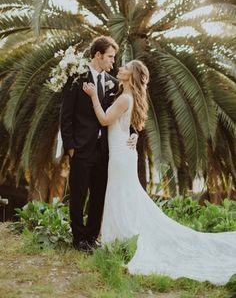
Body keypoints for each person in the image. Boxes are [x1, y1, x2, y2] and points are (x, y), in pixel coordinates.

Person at [83, 59, 236, 285]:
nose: (121, 69)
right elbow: (127, 124)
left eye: (125, 68)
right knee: (124, 193)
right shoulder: (124, 95)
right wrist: (133, 133)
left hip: (120, 155)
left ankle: (121, 236)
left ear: (131, 76)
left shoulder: (125, 98)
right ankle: (120, 236)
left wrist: (94, 96)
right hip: (122, 152)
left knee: (121, 192)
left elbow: (105, 119)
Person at [60, 36, 138, 252]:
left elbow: (124, 113)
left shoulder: (114, 84)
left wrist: (133, 133)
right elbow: (65, 116)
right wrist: (71, 147)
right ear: (98, 55)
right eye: (110, 57)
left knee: (99, 195)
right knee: (77, 196)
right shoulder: (76, 78)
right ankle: (78, 239)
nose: (113, 62)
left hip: (106, 152)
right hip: (81, 149)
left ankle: (92, 237)